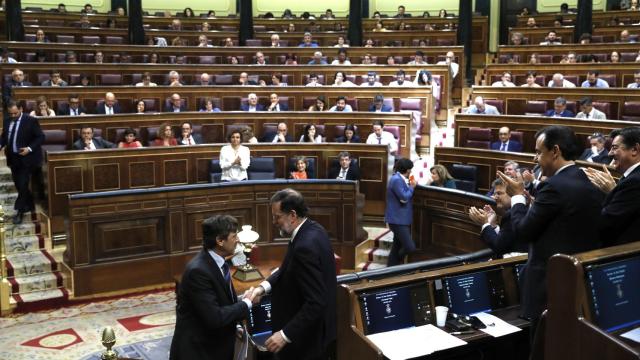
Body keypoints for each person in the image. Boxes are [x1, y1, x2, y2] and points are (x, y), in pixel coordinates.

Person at [496, 125, 604, 337]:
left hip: (549, 287)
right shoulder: (586, 180)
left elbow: (523, 232)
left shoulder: (553, 186)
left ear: (555, 151)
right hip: (576, 284)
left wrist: (518, 196)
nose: (535, 159)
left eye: (538, 152)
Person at [249, 189, 337, 359]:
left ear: (292, 215)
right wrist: (262, 288)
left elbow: (316, 302)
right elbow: (287, 268)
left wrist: (285, 335)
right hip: (313, 335)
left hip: (304, 342)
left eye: (277, 216)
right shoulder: (314, 229)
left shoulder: (305, 246)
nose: (274, 221)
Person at [169, 215, 255, 360]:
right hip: (198, 352)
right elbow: (214, 317)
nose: (238, 240)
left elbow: (220, 301)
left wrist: (236, 325)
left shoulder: (220, 263)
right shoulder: (199, 271)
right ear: (220, 241)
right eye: (234, 236)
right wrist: (246, 303)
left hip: (214, 347)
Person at [584, 127, 640, 247]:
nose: (609, 153)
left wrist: (612, 191)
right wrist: (613, 190)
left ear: (634, 149)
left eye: (615, 148)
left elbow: (606, 223)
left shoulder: (635, 181)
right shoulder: (631, 177)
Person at [1, 101, 45, 224]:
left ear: (21, 109)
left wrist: (29, 148)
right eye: (11, 114)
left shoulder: (30, 120)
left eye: (15, 113)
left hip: (27, 158)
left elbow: (41, 137)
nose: (13, 116)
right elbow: (5, 137)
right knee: (19, 185)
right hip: (13, 158)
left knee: (23, 183)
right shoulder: (7, 120)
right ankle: (30, 204)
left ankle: (19, 212)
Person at [469, 178, 527, 256]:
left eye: (499, 193)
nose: (495, 197)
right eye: (494, 193)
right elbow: (506, 240)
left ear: (511, 193)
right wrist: (492, 225)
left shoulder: (511, 214)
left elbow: (499, 247)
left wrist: (485, 224)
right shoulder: (518, 210)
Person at [385, 158, 417, 266]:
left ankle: (390, 269)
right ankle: (397, 261)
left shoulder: (399, 178)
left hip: (401, 219)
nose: (411, 172)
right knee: (410, 247)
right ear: (407, 170)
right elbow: (404, 198)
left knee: (396, 246)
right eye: (410, 170)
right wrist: (412, 187)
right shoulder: (397, 179)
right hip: (398, 220)